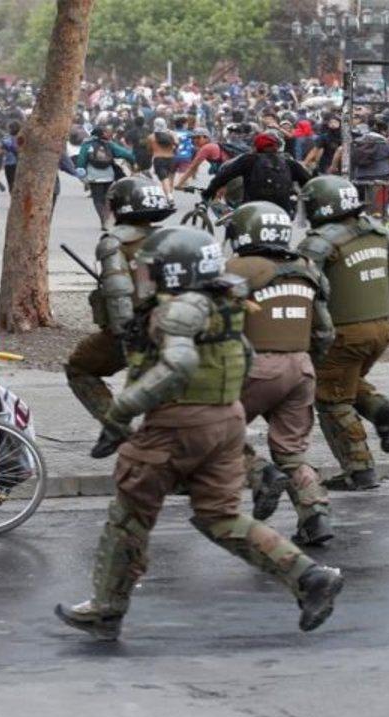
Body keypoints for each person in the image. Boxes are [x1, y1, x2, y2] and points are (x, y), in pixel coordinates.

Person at [55, 226, 344, 641]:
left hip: (175, 425)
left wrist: (121, 410)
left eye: (152, 271)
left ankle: (107, 609)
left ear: (174, 273)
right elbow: (242, 355)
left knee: (128, 518)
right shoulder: (222, 303)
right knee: (221, 517)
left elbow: (177, 365)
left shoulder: (178, 310)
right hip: (225, 420)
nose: (145, 278)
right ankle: (308, 577)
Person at [224, 201, 335, 546]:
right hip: (300, 367)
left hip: (253, 366)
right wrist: (304, 359)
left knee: (215, 431)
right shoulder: (307, 268)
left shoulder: (235, 268)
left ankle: (259, 474)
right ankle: (315, 516)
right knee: (291, 451)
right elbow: (325, 331)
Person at [298, 175, 389, 491]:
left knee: (331, 397)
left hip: (343, 331)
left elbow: (307, 291)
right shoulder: (379, 234)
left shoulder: (319, 243)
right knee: (344, 380)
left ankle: (359, 469)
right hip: (380, 327)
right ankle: (384, 413)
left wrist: (315, 335)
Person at [64, 175, 175, 457]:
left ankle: (117, 428)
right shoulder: (172, 239)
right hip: (177, 328)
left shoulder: (114, 243)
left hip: (135, 332)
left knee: (80, 367)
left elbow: (118, 294)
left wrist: (127, 336)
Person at [203, 129, 311, 216]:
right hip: (283, 214)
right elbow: (309, 182)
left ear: (256, 147)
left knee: (235, 228)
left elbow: (223, 176)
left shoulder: (248, 159)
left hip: (253, 210)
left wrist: (208, 192)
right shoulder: (289, 162)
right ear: (277, 146)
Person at [76, 127, 136, 230]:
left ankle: (104, 221)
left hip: (93, 177)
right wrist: (134, 163)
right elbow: (126, 154)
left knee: (98, 200)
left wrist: (82, 176)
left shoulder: (87, 145)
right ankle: (108, 220)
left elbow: (81, 162)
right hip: (109, 176)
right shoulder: (109, 144)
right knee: (106, 199)